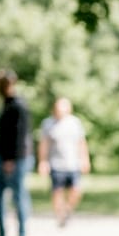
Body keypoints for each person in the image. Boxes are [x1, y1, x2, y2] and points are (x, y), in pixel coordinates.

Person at [0, 69, 32, 236]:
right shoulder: (5, 105)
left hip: (16, 159)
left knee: (18, 195)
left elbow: (20, 135)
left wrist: (11, 160)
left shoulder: (18, 106)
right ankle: (2, 235)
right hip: (1, 155)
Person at [37, 97, 90, 226]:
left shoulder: (75, 123)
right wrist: (43, 161)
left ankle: (67, 209)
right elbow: (44, 144)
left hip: (73, 163)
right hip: (56, 163)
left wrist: (85, 159)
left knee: (76, 190)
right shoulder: (48, 123)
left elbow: (81, 143)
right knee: (57, 192)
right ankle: (60, 216)